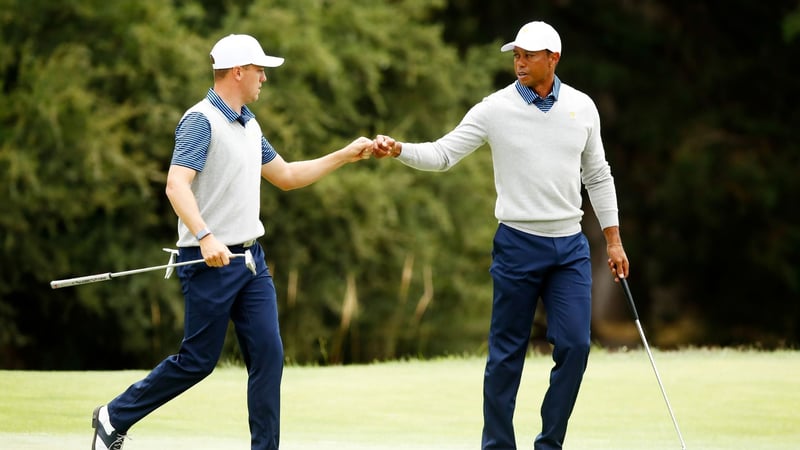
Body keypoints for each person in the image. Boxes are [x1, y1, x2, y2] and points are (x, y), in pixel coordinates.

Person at [90, 34, 372, 450]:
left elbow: (287, 176)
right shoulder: (200, 120)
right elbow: (175, 185)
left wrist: (346, 155)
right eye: (259, 70)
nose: (264, 78)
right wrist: (204, 237)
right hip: (208, 262)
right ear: (237, 71)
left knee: (268, 356)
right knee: (198, 361)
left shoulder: (249, 125)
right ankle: (114, 415)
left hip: (251, 263)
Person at [372, 21, 629, 450]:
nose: (520, 62)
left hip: (569, 247)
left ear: (554, 59)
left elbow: (598, 176)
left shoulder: (582, 107)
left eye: (529, 55)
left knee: (576, 346)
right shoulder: (494, 109)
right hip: (517, 244)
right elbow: (442, 154)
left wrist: (614, 239)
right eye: (516, 55)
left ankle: (549, 443)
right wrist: (400, 149)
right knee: (506, 355)